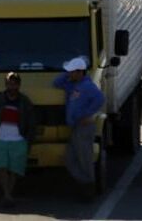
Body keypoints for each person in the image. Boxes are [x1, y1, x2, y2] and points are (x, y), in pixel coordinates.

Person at [53, 56, 105, 201]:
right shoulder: (73, 85)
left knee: (85, 159)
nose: (69, 74)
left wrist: (89, 115)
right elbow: (56, 83)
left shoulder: (88, 86)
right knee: (70, 159)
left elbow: (100, 99)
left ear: (79, 72)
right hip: (76, 127)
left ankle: (89, 189)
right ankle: (85, 183)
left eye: (71, 71)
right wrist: (67, 73)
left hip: (85, 127)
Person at [0, 72, 35, 207]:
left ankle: (8, 195)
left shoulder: (25, 101)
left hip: (18, 140)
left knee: (14, 169)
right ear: (6, 85)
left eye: (14, 84)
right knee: (1, 167)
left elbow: (30, 122)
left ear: (18, 85)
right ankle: (7, 195)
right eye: (9, 84)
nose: (11, 86)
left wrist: (29, 139)